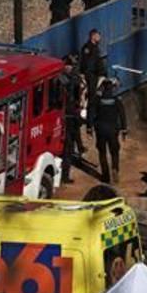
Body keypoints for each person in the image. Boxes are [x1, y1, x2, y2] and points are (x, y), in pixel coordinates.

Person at [87, 78, 127, 184]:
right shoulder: (117, 100)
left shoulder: (97, 100)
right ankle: (115, 168)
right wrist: (124, 130)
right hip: (113, 130)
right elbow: (122, 115)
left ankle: (105, 176)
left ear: (103, 88)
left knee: (102, 152)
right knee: (114, 152)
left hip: (100, 130)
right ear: (112, 88)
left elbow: (91, 113)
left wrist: (89, 127)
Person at [59, 56, 85, 184]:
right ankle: (64, 176)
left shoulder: (68, 78)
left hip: (70, 116)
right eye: (69, 66)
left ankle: (79, 148)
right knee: (68, 149)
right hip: (67, 117)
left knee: (70, 146)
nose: (70, 68)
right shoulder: (64, 79)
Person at [80, 30, 107, 99]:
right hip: (91, 74)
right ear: (93, 37)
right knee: (91, 93)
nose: (99, 38)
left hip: (96, 74)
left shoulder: (96, 47)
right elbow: (88, 62)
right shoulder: (88, 48)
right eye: (98, 36)